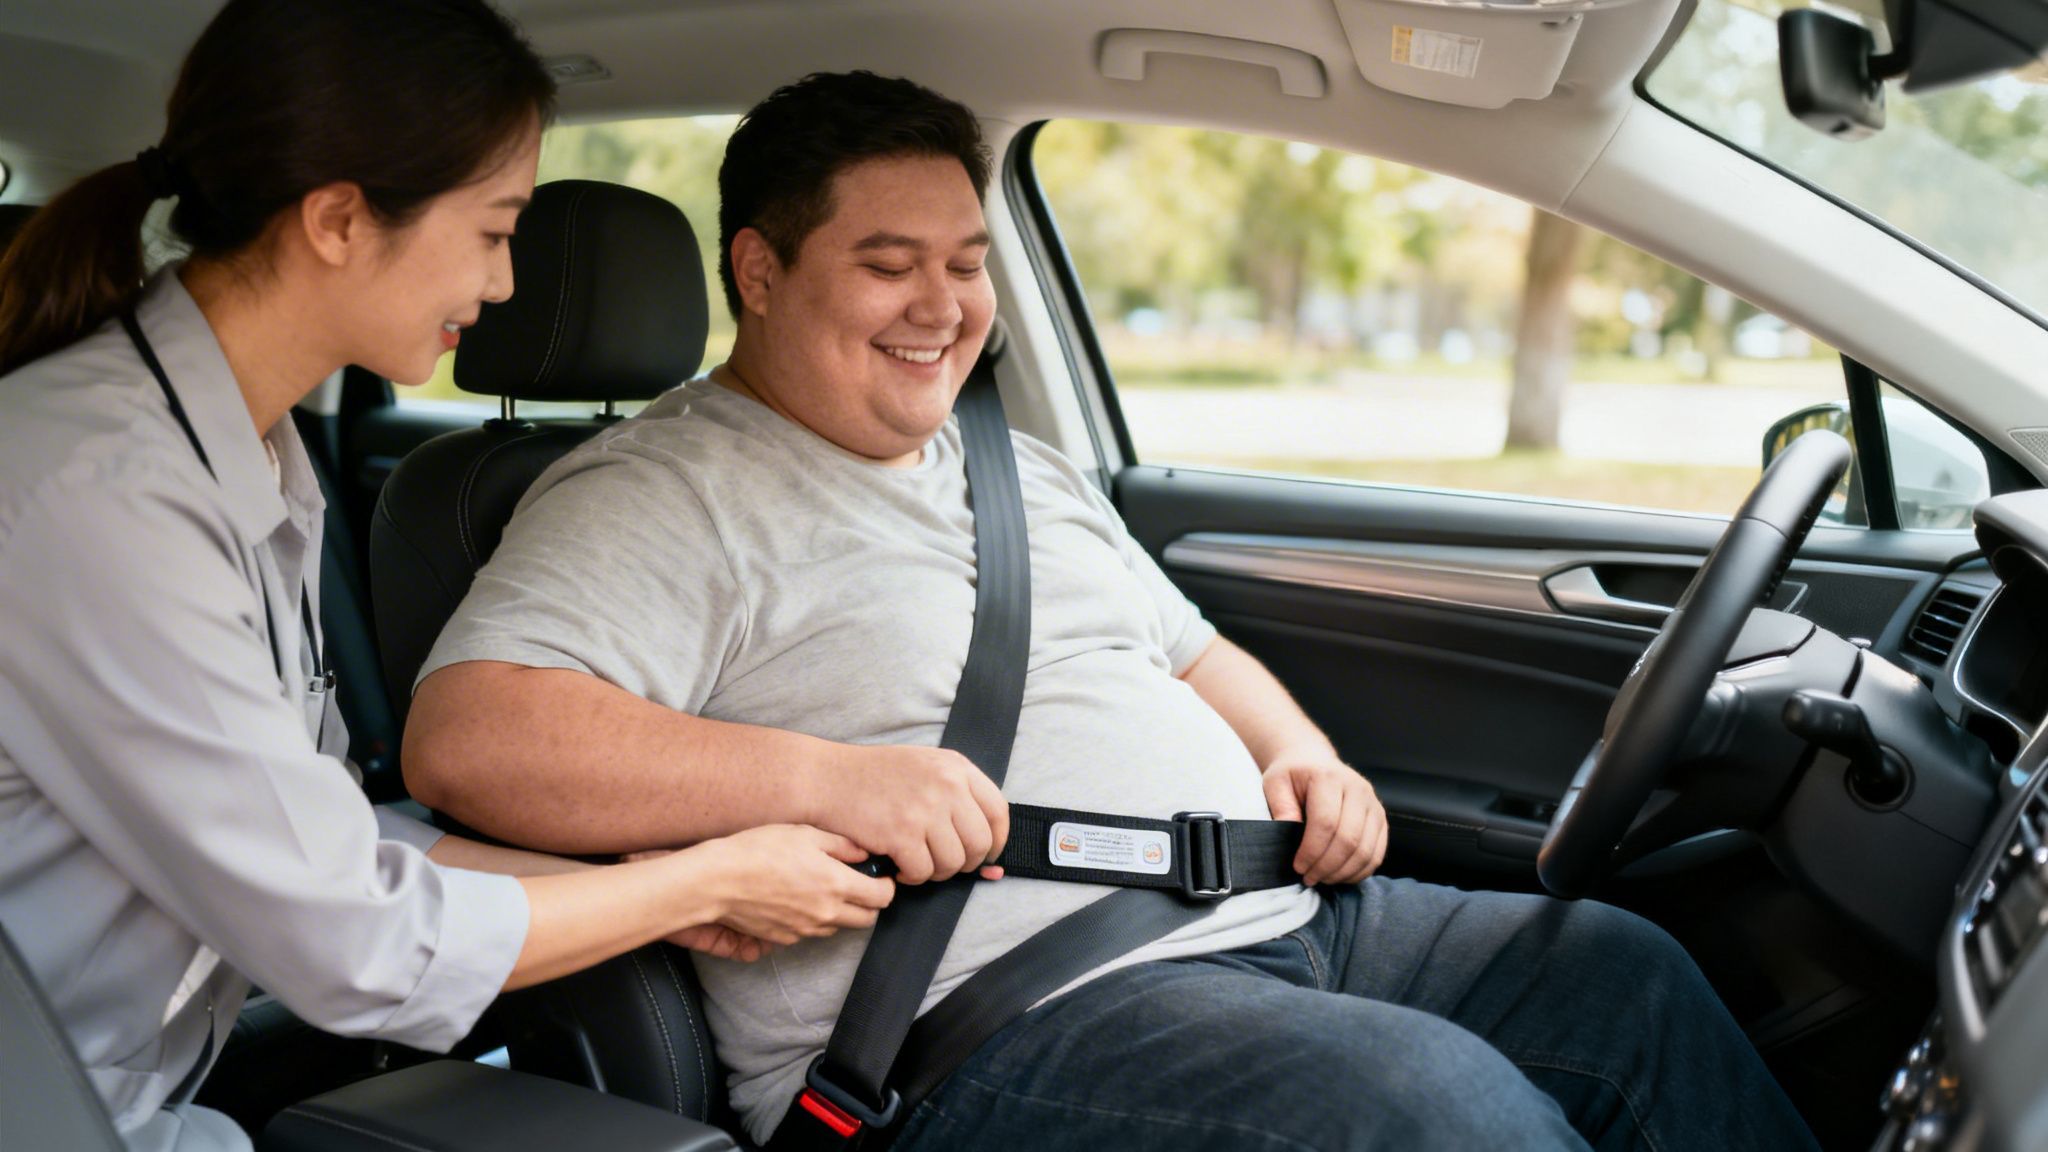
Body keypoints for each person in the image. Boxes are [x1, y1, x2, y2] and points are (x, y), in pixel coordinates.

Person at [402, 71, 1820, 1150]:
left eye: (965, 264)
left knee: (1625, 975)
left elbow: (1197, 653)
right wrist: (829, 781)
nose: (944, 307)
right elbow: (470, 739)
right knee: (1422, 1106)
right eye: (888, 264)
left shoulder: (1014, 466)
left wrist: (1306, 756)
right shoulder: (656, 489)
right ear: (759, 272)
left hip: (1274, 911)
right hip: (983, 1023)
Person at [0, 8, 895, 1151]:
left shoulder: (249, 455)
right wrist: (703, 886)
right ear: (338, 220)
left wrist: (652, 875)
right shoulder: (98, 494)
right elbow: (354, 942)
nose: (509, 278)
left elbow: (335, 834)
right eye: (492, 229)